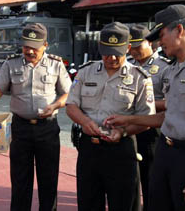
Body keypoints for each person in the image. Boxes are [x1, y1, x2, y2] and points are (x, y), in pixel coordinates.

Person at [105, 4, 185, 211]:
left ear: (180, 31)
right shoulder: (173, 68)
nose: (158, 41)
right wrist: (128, 119)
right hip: (166, 152)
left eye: (162, 34)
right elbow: (168, 116)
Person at [66, 22, 155, 211]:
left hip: (121, 150)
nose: (112, 58)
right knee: (88, 203)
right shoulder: (85, 71)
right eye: (107, 52)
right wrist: (85, 121)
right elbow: (71, 105)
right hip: (90, 148)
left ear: (128, 48)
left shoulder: (140, 77)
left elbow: (146, 119)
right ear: (100, 47)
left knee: (124, 204)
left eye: (118, 52)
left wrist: (122, 132)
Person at [0, 23, 72, 211]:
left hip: (47, 128)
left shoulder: (56, 64)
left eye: (34, 47)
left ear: (45, 45)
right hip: (21, 128)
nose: (30, 51)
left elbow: (68, 94)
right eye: (26, 46)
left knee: (48, 179)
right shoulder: (11, 63)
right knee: (20, 179)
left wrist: (56, 105)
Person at [128, 24, 171, 211]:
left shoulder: (165, 67)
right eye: (132, 46)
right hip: (129, 128)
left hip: (152, 130)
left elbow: (171, 101)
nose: (135, 50)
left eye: (139, 45)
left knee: (151, 180)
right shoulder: (127, 65)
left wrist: (145, 104)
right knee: (129, 179)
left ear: (151, 44)